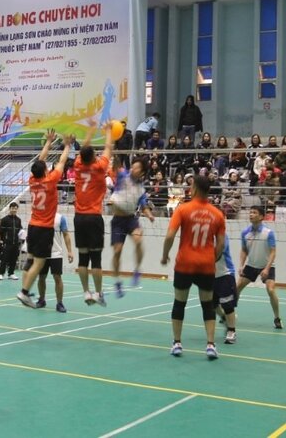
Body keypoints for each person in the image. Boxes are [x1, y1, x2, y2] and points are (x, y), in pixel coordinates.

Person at [161, 175, 225, 360]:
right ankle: (211, 345)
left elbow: (169, 236)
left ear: (194, 189)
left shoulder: (183, 209)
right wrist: (212, 258)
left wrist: (165, 255)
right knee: (207, 305)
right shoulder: (217, 214)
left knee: (179, 302)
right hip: (206, 265)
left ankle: (177, 343)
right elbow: (220, 244)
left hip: (184, 263)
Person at [17, 130, 70, 308]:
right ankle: (24, 292)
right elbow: (62, 161)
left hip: (32, 225)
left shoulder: (32, 180)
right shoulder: (51, 180)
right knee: (39, 264)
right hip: (44, 228)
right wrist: (68, 145)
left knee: (31, 260)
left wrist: (48, 142)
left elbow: (40, 159)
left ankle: (26, 289)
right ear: (46, 170)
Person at [73, 121, 113, 306]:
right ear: (94, 156)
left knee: (82, 258)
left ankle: (86, 292)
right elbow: (108, 147)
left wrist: (90, 129)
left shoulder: (78, 165)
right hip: (94, 217)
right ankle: (98, 293)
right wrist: (108, 131)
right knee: (96, 259)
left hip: (79, 217)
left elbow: (84, 148)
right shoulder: (99, 167)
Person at [109, 157, 155, 299]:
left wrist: (149, 215)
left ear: (142, 172)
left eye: (136, 168)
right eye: (132, 166)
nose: (133, 169)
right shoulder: (123, 176)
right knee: (117, 251)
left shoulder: (141, 188)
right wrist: (114, 152)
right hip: (117, 220)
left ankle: (137, 270)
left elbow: (143, 205)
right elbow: (117, 165)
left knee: (138, 240)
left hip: (131, 219)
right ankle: (117, 281)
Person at [237, 205, 282, 329]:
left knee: (271, 290)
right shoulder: (245, 232)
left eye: (254, 213)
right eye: (250, 212)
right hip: (251, 265)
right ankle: (230, 313)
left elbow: (273, 251)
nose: (251, 214)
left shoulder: (268, 233)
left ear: (261, 216)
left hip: (267, 266)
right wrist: (241, 266)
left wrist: (267, 268)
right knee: (236, 288)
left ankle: (277, 318)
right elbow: (244, 250)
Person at [34, 213, 74, 312]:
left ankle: (59, 303)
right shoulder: (40, 216)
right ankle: (42, 300)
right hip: (42, 253)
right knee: (41, 277)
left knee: (57, 277)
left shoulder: (61, 218)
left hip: (56, 253)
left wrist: (69, 251)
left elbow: (66, 234)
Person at [214, 236, 238, 344]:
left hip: (225, 273)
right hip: (210, 275)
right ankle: (224, 318)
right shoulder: (203, 236)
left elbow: (218, 254)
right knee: (211, 303)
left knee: (227, 304)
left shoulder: (222, 236)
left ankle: (232, 331)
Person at [0, 202, 22, 280]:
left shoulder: (18, 220)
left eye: (15, 208)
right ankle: (0, 274)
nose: (14, 210)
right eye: (12, 208)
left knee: (13, 259)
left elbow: (20, 230)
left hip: (16, 243)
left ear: (17, 209)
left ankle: (11, 273)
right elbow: (1, 231)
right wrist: (4, 240)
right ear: (9, 208)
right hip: (7, 243)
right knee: (4, 259)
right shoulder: (4, 219)